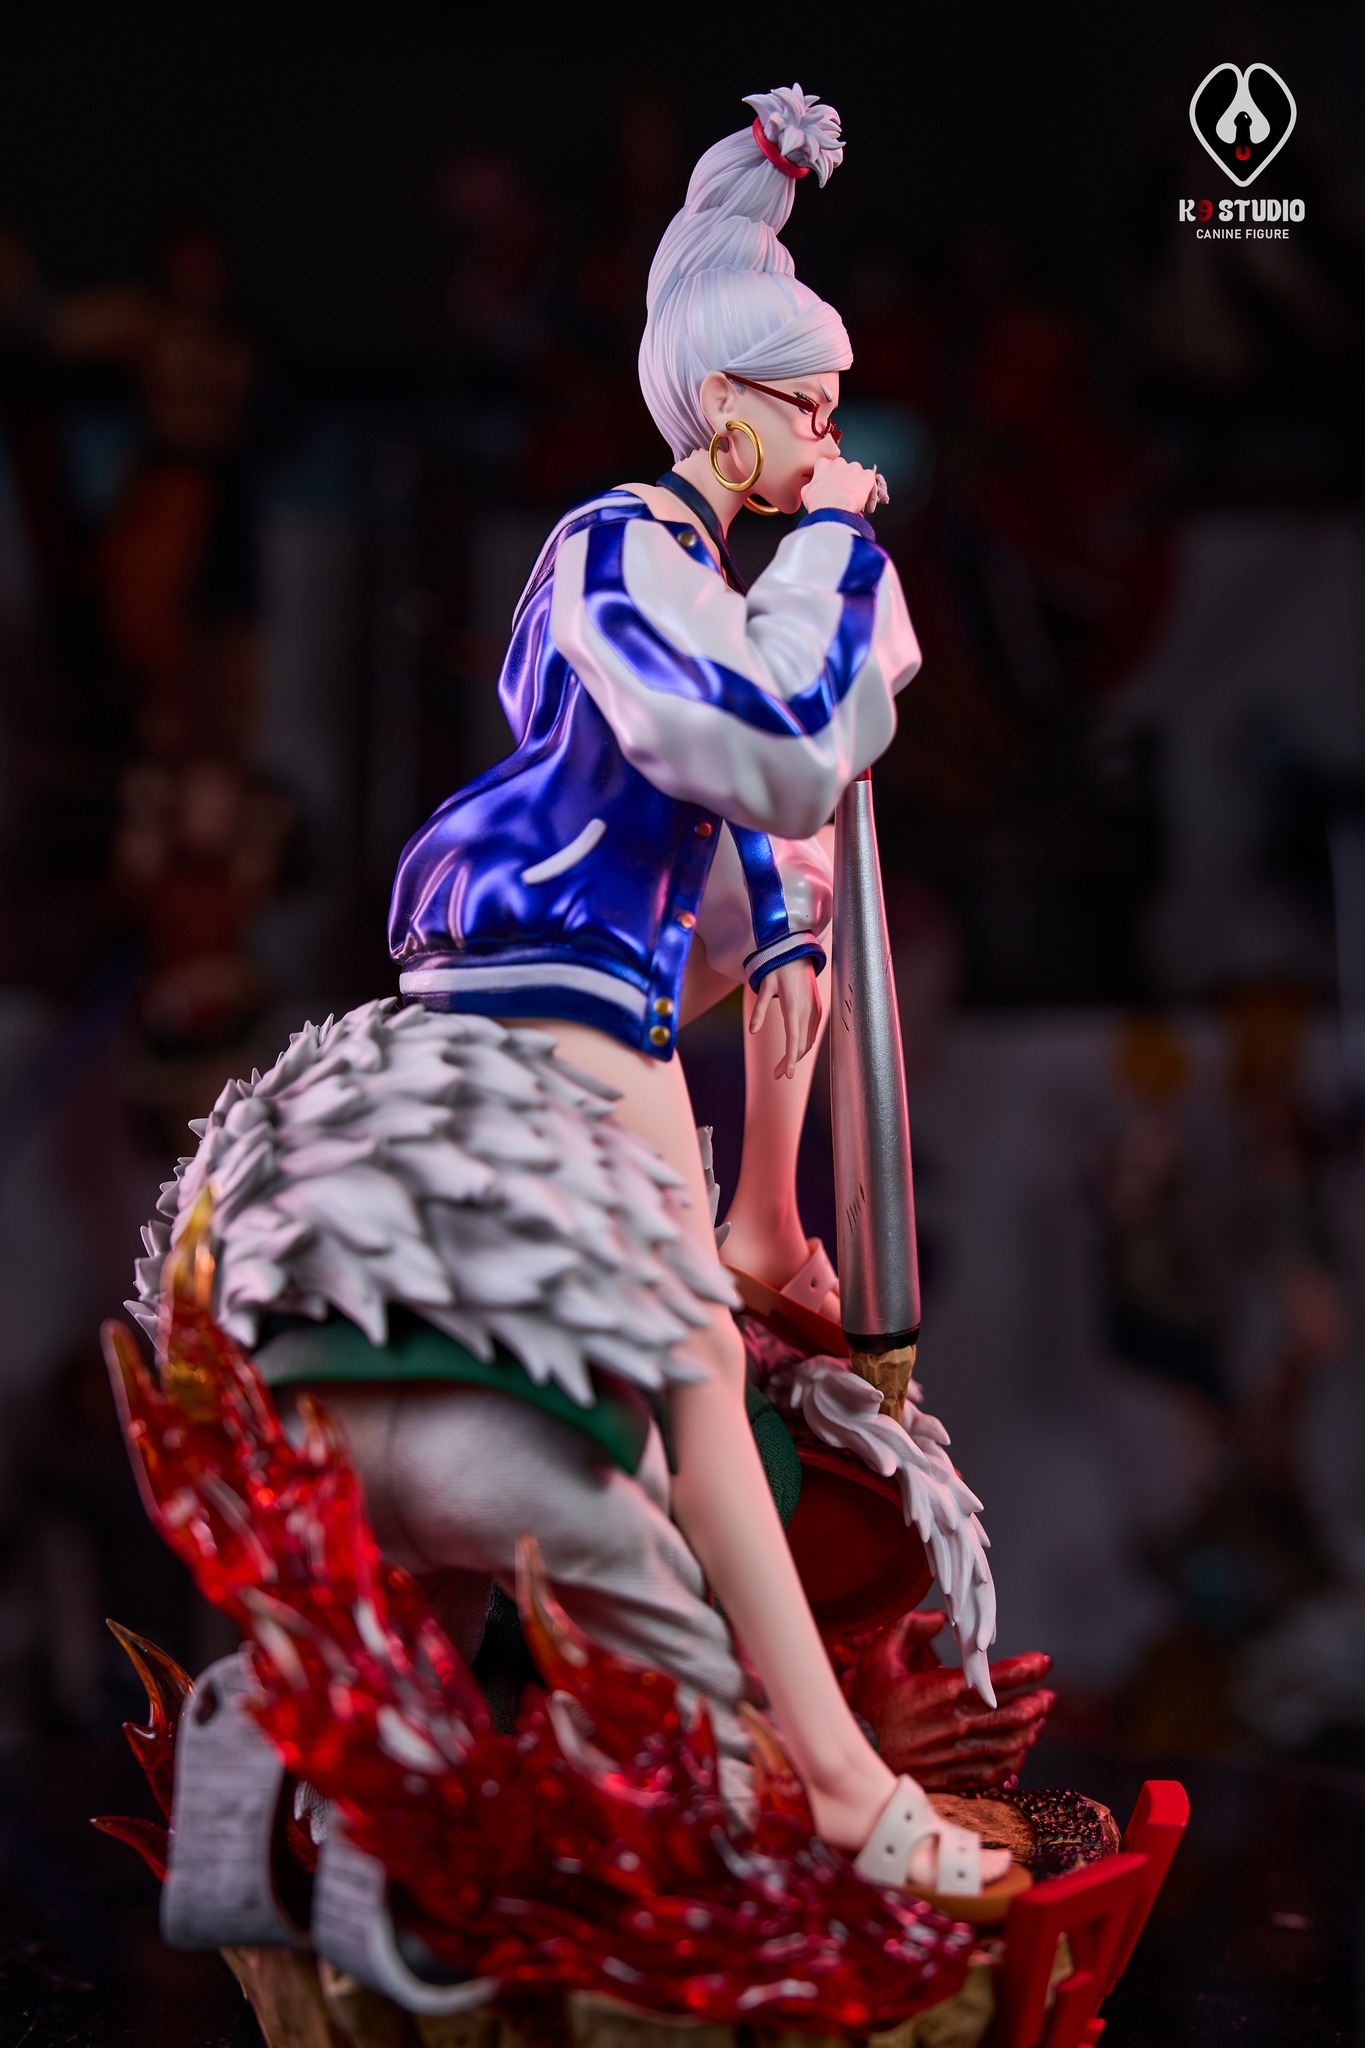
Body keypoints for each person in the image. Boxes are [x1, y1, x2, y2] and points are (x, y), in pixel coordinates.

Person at [140, 88, 1013, 1908]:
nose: (830, 442)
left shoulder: (677, 572)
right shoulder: (623, 544)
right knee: (685, 1377)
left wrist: (777, 1163)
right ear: (727, 407)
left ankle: (375, 1800)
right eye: (810, 409)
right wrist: (841, 548)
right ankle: (839, 1794)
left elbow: (757, 844)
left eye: (835, 417)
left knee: (628, 1391)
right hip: (539, 997)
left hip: (594, 995)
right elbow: (767, 741)